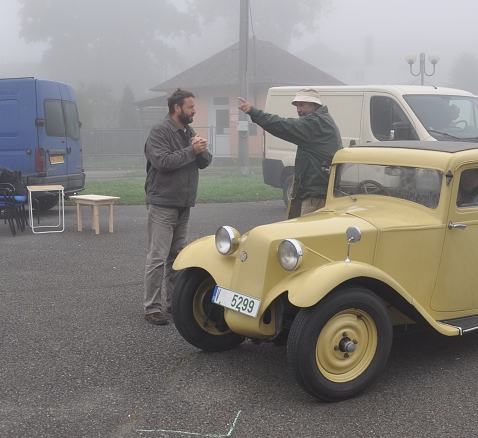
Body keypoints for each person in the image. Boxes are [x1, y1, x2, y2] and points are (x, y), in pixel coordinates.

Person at [142, 88, 212, 325]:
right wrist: (192, 150)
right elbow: (162, 162)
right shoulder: (159, 131)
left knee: (177, 257)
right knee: (157, 257)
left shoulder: (188, 131)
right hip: (162, 203)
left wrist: (201, 149)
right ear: (177, 108)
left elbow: (204, 162)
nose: (194, 111)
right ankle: (152, 308)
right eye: (191, 107)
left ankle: (175, 302)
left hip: (183, 204)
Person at [237, 88, 342, 219]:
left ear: (314, 105)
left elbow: (282, 125)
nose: (298, 110)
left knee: (307, 230)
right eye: (297, 105)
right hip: (314, 190)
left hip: (315, 195)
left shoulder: (315, 123)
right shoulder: (322, 120)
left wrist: (254, 112)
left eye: (302, 105)